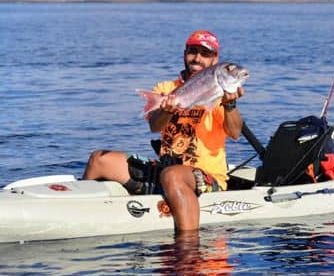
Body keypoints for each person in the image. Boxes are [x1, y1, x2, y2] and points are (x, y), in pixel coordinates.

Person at [83, 30, 245, 232]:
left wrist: (230, 106)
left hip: (207, 177)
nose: (197, 58)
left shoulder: (221, 91)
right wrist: (166, 112)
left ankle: (188, 246)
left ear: (215, 59)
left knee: (172, 175)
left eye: (205, 54)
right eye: (192, 52)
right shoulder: (165, 87)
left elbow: (235, 132)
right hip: (165, 170)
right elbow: (155, 126)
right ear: (185, 53)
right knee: (99, 159)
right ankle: (81, 216)